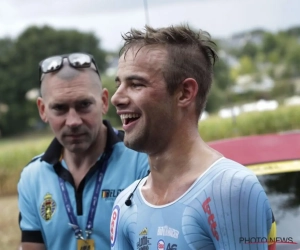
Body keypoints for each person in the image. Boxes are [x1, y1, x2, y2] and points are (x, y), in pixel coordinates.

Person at [110, 25, 276, 250]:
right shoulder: (126, 204)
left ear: (185, 93)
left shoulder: (230, 188)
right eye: (118, 84)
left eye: (136, 84)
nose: (116, 98)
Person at [17, 52, 149, 250]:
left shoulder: (142, 160)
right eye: (59, 108)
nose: (73, 121)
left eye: (84, 105)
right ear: (42, 110)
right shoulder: (33, 177)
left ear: (104, 101)